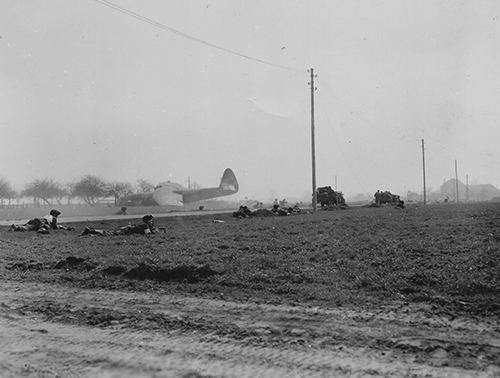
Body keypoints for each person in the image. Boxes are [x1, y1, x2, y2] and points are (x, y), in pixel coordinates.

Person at [81, 214, 157, 236]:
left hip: (126, 229)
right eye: (151, 220)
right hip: (126, 231)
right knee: (109, 233)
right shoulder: (145, 226)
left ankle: (91, 232)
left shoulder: (144, 225)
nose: (152, 222)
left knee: (109, 233)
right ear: (147, 221)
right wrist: (155, 231)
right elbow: (148, 234)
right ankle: (91, 231)